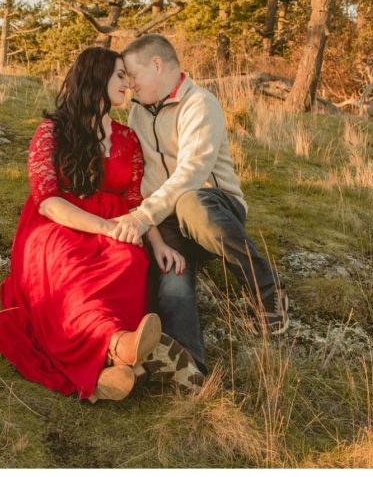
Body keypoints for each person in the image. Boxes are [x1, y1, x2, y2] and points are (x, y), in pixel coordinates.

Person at [0, 46, 183, 401]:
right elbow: (48, 200)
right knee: (70, 270)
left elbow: (136, 202)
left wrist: (159, 243)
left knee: (129, 260)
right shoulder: (53, 130)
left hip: (115, 224)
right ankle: (117, 344)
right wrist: (102, 227)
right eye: (120, 76)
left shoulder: (127, 139)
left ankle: (110, 369)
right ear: (96, 77)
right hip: (58, 226)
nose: (128, 84)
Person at [111, 34, 289, 374]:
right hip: (166, 218)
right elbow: (143, 177)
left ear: (157, 65)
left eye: (133, 75)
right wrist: (154, 230)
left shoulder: (199, 103)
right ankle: (187, 363)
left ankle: (266, 288)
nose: (130, 85)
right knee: (171, 274)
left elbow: (193, 172)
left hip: (214, 209)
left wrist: (143, 216)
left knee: (191, 204)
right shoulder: (137, 114)